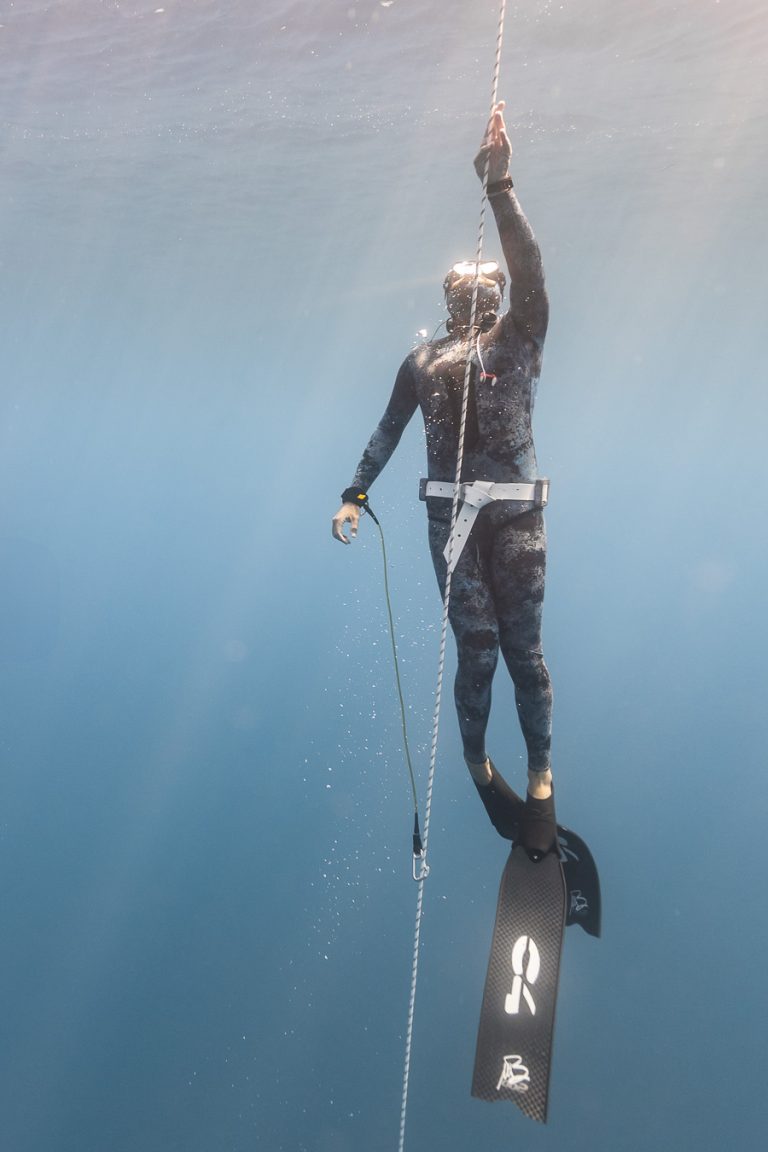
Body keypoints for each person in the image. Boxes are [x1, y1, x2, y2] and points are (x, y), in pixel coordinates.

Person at [332, 103, 556, 860]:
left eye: (481, 287)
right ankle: (477, 762)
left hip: (513, 519)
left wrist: (501, 188)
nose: (472, 295)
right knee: (481, 654)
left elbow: (530, 267)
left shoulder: (521, 334)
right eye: (461, 288)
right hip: (453, 522)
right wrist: (354, 492)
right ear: (448, 299)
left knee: (521, 653)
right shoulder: (422, 362)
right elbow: (388, 429)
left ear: (494, 298)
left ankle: (541, 783)